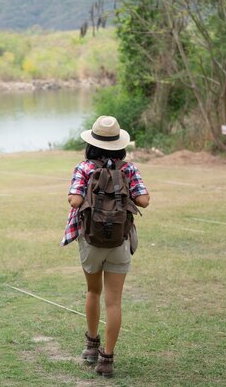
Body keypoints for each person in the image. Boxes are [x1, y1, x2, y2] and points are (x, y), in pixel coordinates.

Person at [61, 115, 150, 378]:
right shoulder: (129, 169)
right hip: (119, 241)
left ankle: (91, 345)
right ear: (119, 144)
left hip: (91, 239)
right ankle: (107, 359)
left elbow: (75, 201)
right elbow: (143, 200)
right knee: (115, 302)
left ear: (92, 143)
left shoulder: (84, 168)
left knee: (93, 291)